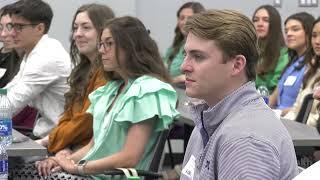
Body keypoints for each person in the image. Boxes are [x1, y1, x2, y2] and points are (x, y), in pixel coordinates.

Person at [26, 16, 179, 179]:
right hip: (93, 174)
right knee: (29, 170)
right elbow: (93, 146)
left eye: (109, 43)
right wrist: (60, 161)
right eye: (101, 44)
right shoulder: (111, 89)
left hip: (110, 176)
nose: (101, 50)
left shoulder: (148, 89)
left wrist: (78, 168)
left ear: (130, 47)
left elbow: (129, 158)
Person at [180, 10, 298, 180]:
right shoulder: (209, 118)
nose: (184, 66)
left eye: (198, 57)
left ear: (236, 65)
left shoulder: (245, 141)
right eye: (186, 54)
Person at [34, 4, 114, 156]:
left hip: (91, 155)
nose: (77, 34)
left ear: (104, 32)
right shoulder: (82, 70)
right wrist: (63, 146)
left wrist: (50, 141)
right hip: (72, 146)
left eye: (86, 27)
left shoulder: (107, 73)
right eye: (75, 28)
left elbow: (86, 123)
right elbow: (68, 116)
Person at [3, 0, 71, 138]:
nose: (12, 33)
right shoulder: (34, 52)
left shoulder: (46, 57)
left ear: (39, 28)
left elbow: (8, 106)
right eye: (12, 26)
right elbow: (10, 90)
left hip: (61, 142)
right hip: (47, 135)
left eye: (19, 27)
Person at [269, 12, 315, 117]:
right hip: (279, 120)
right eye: (286, 31)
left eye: (295, 29)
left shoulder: (313, 65)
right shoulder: (291, 64)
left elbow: (304, 108)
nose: (288, 34)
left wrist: (278, 112)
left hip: (296, 123)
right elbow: (273, 99)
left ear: (309, 32)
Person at [284, 17, 320, 127]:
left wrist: (295, 125)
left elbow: (316, 119)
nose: (317, 41)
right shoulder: (311, 69)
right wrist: (282, 124)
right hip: (300, 132)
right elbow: (296, 109)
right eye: (314, 36)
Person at [164, 2, 204, 85]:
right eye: (182, 18)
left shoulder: (205, 47)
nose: (185, 22)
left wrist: (182, 78)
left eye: (189, 18)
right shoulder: (173, 48)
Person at [252, 5, 288, 94]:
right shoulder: (249, 51)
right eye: (256, 20)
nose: (259, 24)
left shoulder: (283, 54)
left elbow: (276, 86)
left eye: (265, 20)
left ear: (274, 24)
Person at [0, 5, 22, 87]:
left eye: (10, 27)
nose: (3, 34)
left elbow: (12, 93)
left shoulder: (28, 60)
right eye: (0, 27)